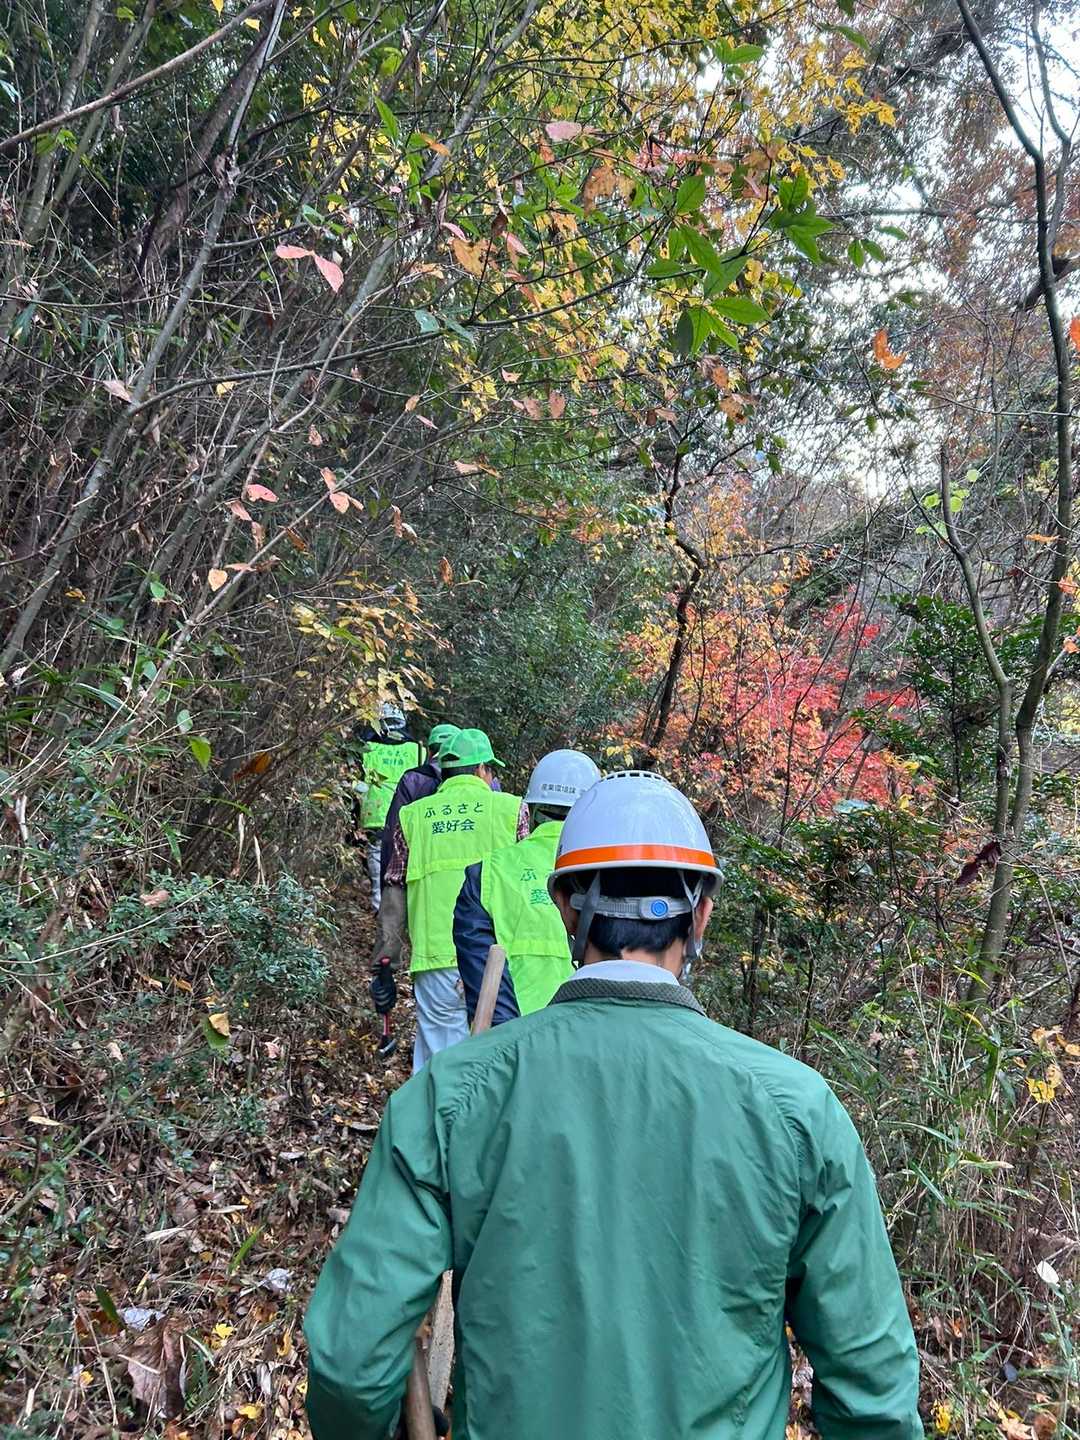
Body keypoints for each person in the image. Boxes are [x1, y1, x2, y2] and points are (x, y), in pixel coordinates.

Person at [306, 770, 923, 1440]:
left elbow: (351, 1361)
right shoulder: (798, 1110)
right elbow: (874, 1395)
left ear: (566, 910)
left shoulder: (450, 1095)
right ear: (703, 914)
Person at [371, 728, 527, 1070]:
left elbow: (394, 891)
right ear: (482, 769)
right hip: (495, 957)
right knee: (493, 1063)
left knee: (437, 1066)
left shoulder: (413, 817)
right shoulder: (512, 809)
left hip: (435, 961)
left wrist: (386, 960)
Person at [454, 748, 600, 1025]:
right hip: (589, 1033)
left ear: (530, 811)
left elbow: (480, 969)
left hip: (513, 1036)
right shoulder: (610, 874)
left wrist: (510, 1038)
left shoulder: (487, 872)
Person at [350, 702, 423, 911]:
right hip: (406, 812)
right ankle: (402, 906)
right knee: (404, 857)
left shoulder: (366, 747)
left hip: (375, 811)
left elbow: (357, 782)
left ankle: (378, 901)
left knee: (376, 855)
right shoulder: (417, 750)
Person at [377, 721, 462, 887]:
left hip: (419, 879)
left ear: (429, 752)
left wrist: (387, 887)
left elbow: (393, 834)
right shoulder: (483, 779)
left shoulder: (412, 779)